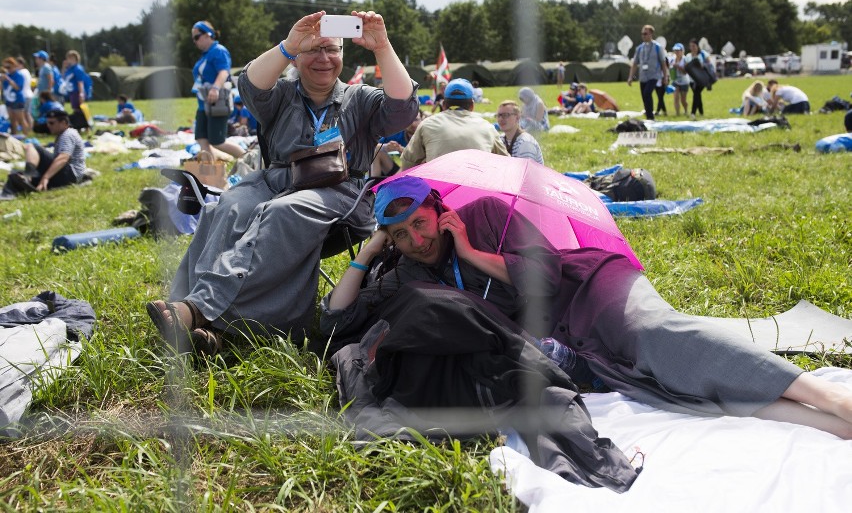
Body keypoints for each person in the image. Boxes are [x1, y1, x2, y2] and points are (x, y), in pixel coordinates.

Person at [321, 176, 852, 440]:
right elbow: (336, 320)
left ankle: (826, 396)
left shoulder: (484, 213)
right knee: (649, 385)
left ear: (440, 211)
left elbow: (546, 275)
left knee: (658, 335)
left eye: (421, 222)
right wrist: (368, 254)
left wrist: (473, 254)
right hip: (563, 345)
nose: (416, 239)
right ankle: (825, 425)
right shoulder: (407, 273)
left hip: (588, 290)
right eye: (400, 233)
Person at [145, 9, 419, 356]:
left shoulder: (360, 98)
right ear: (298, 56)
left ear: (343, 56)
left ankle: (198, 311)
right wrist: (288, 44)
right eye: (313, 49)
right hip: (275, 180)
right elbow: (250, 82)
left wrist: (381, 45)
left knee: (281, 213)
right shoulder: (281, 96)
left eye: (332, 49)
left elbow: (403, 108)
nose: (323, 58)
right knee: (225, 207)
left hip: (339, 192)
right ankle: (205, 327)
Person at [400, 78, 507, 170]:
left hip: (438, 191)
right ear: (472, 106)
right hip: (478, 190)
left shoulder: (427, 124)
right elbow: (506, 163)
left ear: (444, 105)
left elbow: (407, 163)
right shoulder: (487, 127)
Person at [189, 21, 245, 159]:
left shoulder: (218, 50)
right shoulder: (205, 54)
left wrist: (215, 88)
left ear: (208, 34)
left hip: (217, 102)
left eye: (197, 37)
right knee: (201, 137)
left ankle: (249, 159)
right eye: (193, 39)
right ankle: (211, 169)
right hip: (203, 104)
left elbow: (224, 72)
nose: (194, 41)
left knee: (217, 141)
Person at [3, 109, 86, 197]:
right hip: (68, 176)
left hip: (70, 175)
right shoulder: (64, 134)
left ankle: (29, 175)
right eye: (47, 123)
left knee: (31, 146)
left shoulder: (68, 135)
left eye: (52, 123)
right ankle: (28, 182)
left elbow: (63, 158)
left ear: (64, 122)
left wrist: (45, 177)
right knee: (16, 175)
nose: (48, 126)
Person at [628, 25, 669, 120]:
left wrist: (665, 77)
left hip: (654, 75)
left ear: (651, 34)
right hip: (643, 76)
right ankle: (648, 115)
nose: (643, 36)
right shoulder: (639, 48)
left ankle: (650, 117)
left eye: (645, 34)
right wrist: (631, 77)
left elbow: (663, 63)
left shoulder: (658, 47)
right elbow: (635, 64)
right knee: (644, 96)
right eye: (642, 34)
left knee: (647, 93)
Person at [370, 109, 425, 177]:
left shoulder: (426, 136)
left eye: (416, 120)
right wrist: (386, 147)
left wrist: (404, 151)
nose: (412, 124)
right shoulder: (397, 134)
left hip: (418, 172)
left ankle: (389, 183)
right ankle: (373, 182)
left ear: (422, 120)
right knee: (377, 151)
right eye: (408, 121)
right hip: (400, 170)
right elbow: (374, 146)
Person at [496, 100, 543, 164]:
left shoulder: (525, 143)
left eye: (505, 115)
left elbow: (526, 172)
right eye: (499, 115)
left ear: (517, 117)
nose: (501, 119)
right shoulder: (500, 139)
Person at [61, 50, 91, 130]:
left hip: (77, 91)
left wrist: (81, 93)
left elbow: (80, 82)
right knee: (75, 109)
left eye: (71, 57)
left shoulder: (78, 68)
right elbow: (63, 77)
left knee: (81, 109)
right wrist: (63, 67)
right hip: (72, 91)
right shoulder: (69, 69)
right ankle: (80, 125)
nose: (69, 59)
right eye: (68, 57)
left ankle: (87, 126)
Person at [1, 57, 27, 135]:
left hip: (18, 100)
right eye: (5, 67)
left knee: (21, 120)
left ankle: (26, 136)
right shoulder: (6, 75)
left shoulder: (19, 75)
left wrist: (8, 79)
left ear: (14, 66)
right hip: (8, 100)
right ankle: (14, 136)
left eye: (9, 67)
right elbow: (2, 88)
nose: (7, 69)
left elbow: (18, 87)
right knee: (12, 121)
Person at [686, 38, 709, 119]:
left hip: (701, 79)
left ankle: (693, 113)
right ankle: (701, 111)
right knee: (697, 95)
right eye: (691, 46)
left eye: (694, 46)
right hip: (691, 80)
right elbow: (686, 67)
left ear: (697, 46)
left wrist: (703, 66)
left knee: (696, 93)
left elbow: (709, 64)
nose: (692, 48)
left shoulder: (703, 54)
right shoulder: (688, 56)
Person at [668, 43, 689, 116]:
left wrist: (678, 66)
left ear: (682, 51)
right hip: (675, 81)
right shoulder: (672, 59)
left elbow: (685, 72)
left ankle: (686, 110)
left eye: (678, 50)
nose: (676, 52)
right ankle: (677, 113)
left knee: (683, 100)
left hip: (684, 82)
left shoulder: (685, 59)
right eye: (675, 50)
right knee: (676, 98)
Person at [32, 50, 55, 117]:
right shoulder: (41, 68)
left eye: (37, 58)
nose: (36, 60)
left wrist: (49, 91)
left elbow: (51, 79)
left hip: (46, 94)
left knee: (47, 110)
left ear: (41, 59)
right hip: (42, 93)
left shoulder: (46, 67)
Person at [15, 57, 34, 133]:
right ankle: (30, 129)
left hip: (24, 95)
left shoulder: (21, 72)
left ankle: (28, 129)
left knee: (25, 114)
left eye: (17, 64)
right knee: (27, 113)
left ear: (21, 64)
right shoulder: (26, 71)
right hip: (29, 94)